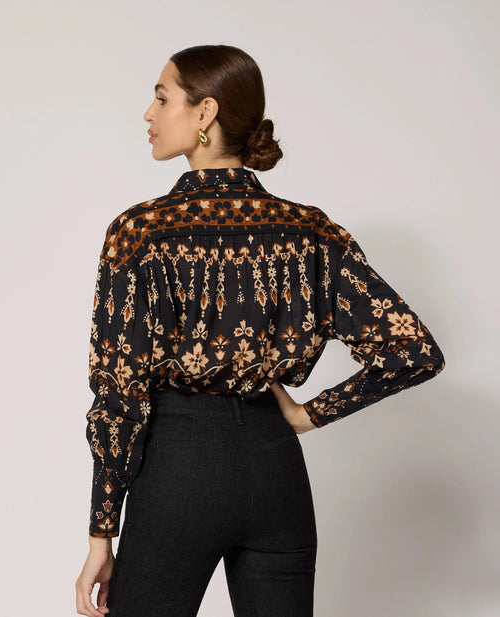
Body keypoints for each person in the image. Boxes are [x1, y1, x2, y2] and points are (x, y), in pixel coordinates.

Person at [75, 44, 445, 617]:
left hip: (180, 471)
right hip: (277, 471)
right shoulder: (308, 230)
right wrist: (306, 414)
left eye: (162, 98)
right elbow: (414, 352)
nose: (148, 113)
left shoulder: (142, 232)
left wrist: (102, 532)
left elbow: (120, 391)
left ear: (205, 112)